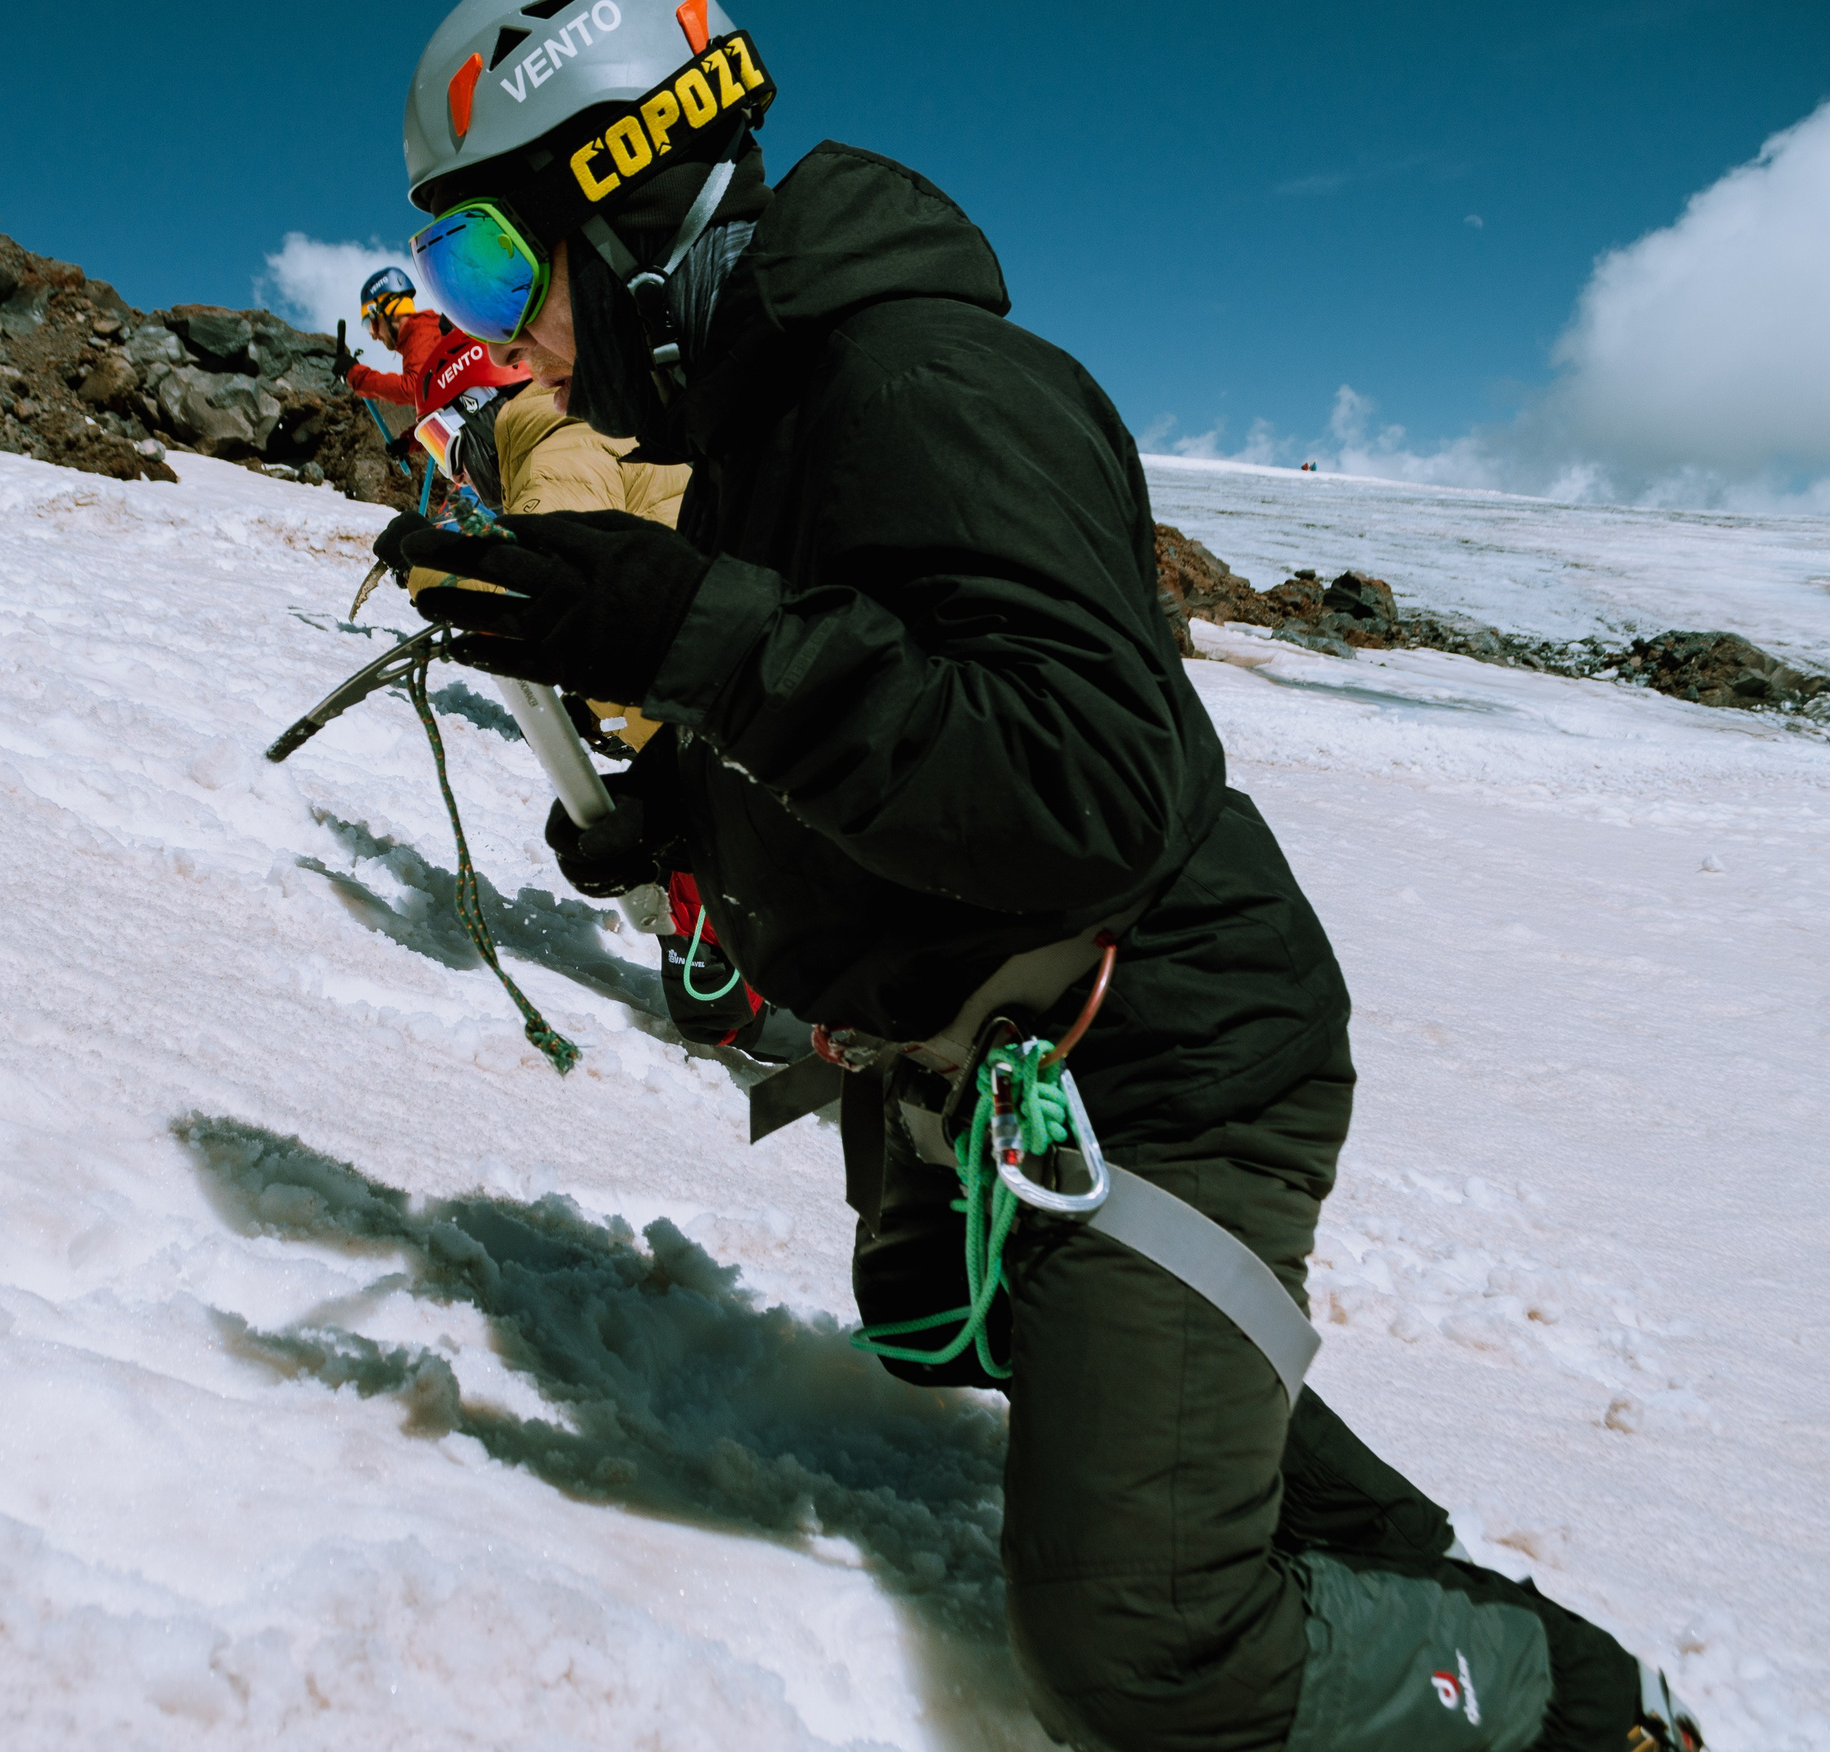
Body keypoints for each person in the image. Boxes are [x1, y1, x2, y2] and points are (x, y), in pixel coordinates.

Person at [367, 5, 1707, 1750]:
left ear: (619, 189)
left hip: (1165, 1041)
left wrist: (699, 633)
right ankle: (1316, 1509)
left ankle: (1584, 1707)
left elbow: (1082, 780)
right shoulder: (768, 415)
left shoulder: (916, 382)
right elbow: (872, 684)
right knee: (932, 1314)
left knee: (1146, 1661)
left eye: (484, 262)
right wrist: (678, 818)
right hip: (1003, 1041)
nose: (498, 335)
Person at [406, 374, 808, 1061]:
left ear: (478, 411)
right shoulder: (612, 415)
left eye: (444, 443)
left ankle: (769, 1012)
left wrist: (429, 567)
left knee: (704, 901)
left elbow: (533, 561)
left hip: (700, 703)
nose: (456, 467)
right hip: (730, 683)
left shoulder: (541, 426)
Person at [344, 265, 527, 417]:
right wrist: (409, 442)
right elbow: (444, 404)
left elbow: (416, 390)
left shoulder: (421, 332)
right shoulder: (423, 334)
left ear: (387, 311)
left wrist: (354, 375)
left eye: (371, 325)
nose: (373, 335)